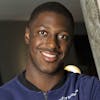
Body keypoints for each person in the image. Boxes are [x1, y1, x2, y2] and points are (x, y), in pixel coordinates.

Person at [0, 1, 100, 100]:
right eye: (43, 33)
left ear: (70, 42)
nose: (52, 45)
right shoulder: (4, 95)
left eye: (63, 36)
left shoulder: (90, 88)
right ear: (27, 35)